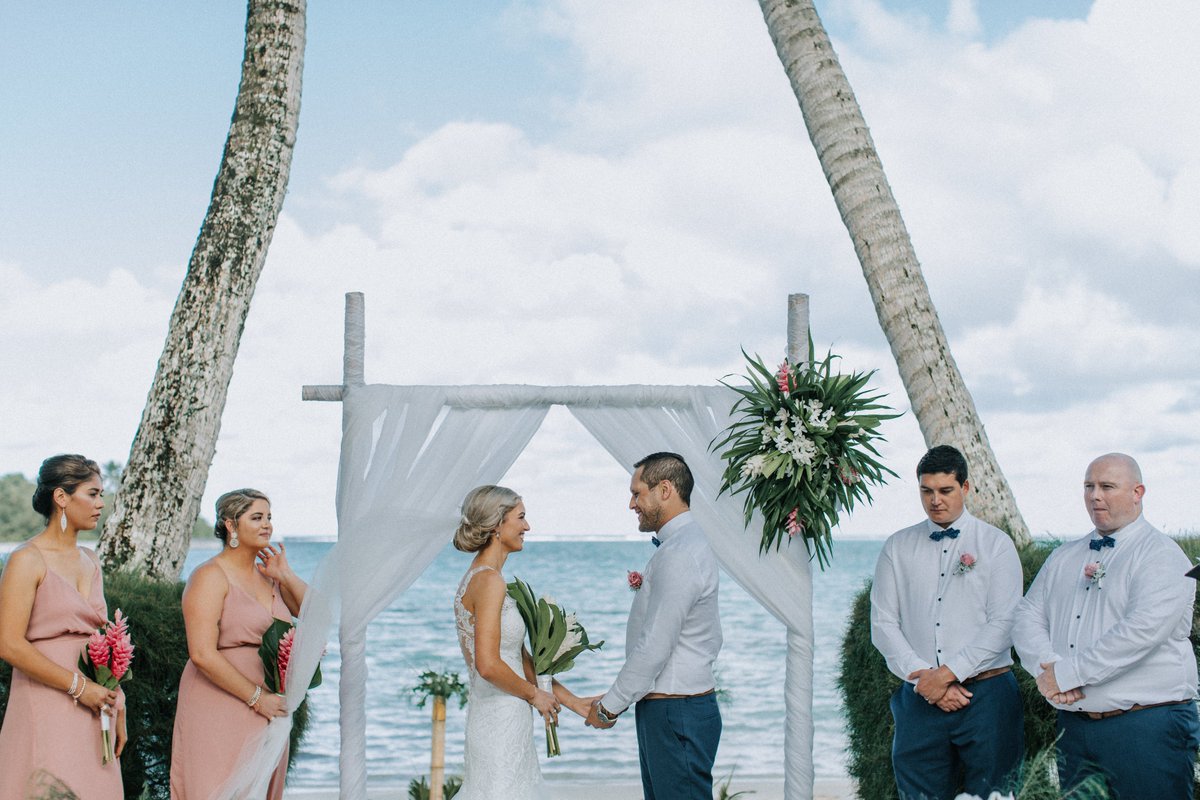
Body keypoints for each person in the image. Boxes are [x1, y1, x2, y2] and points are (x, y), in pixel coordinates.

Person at [1012, 453, 1199, 799]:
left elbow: (1139, 633)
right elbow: (1027, 615)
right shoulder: (1064, 556)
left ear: (1137, 492)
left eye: (1107, 486)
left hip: (1147, 728)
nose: (1095, 495)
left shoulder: (1163, 556)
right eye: (1089, 486)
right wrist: (1047, 667)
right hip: (1075, 729)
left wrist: (1066, 676)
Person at [870, 444, 1024, 800]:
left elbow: (1003, 624)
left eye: (945, 490)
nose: (935, 500)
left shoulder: (996, 545)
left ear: (965, 488)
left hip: (988, 696)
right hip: (920, 697)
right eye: (927, 491)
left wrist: (947, 674)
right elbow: (883, 624)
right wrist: (926, 679)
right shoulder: (897, 547)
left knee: (995, 796)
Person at [585, 452, 723, 800]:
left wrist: (609, 706)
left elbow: (655, 645)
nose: (632, 504)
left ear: (665, 490)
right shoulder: (680, 546)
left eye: (637, 493)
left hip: (676, 710)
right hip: (669, 708)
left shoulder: (680, 554)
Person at [452, 485, 590, 800]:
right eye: (521, 517)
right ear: (498, 524)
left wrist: (573, 702)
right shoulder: (489, 581)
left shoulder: (482, 577)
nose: (527, 526)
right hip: (500, 718)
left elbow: (520, 658)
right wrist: (534, 696)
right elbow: (487, 664)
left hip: (499, 714)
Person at [0, 454, 125, 799]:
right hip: (46, 700)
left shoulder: (91, 560)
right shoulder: (27, 559)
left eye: (102, 495)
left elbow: (102, 641)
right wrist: (79, 687)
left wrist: (119, 701)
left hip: (97, 705)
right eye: (93, 494)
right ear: (62, 498)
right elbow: (8, 643)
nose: (101, 504)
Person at [170, 489, 308, 800]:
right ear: (231, 525)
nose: (267, 525)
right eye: (257, 517)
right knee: (217, 787)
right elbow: (202, 654)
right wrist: (258, 699)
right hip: (220, 700)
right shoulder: (209, 576)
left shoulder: (269, 577)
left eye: (269, 517)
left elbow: (313, 613)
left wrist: (285, 574)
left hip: (271, 701)